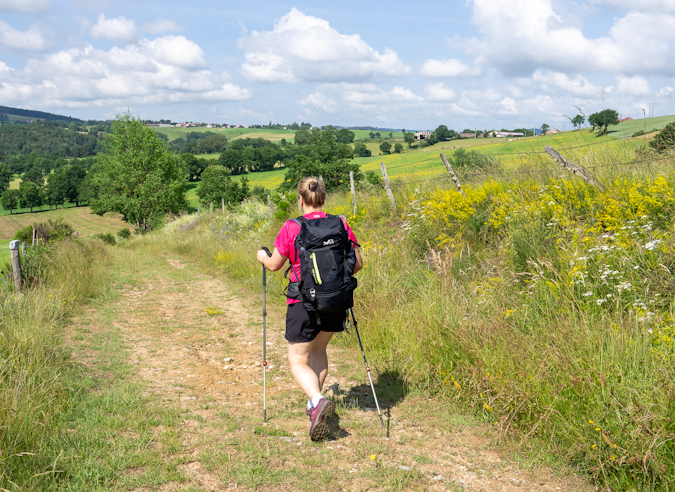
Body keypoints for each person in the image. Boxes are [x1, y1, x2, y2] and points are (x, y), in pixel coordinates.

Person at [256, 176, 362, 441]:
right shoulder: (341, 224)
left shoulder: (292, 227)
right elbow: (358, 264)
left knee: (297, 359)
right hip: (336, 300)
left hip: (303, 302)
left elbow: (274, 265)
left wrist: (262, 256)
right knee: (318, 350)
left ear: (300, 199)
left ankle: (317, 399)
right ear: (323, 198)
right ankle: (315, 406)